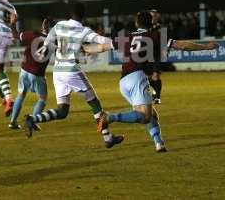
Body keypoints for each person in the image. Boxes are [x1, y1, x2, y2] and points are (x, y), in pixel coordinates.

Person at [88, 11, 219, 153]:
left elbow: (101, 47)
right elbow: (181, 45)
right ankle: (109, 117)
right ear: (151, 23)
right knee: (144, 116)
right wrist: (206, 47)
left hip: (123, 81)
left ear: (137, 23)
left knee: (151, 114)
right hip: (137, 78)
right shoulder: (155, 35)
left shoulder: (126, 37)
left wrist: (83, 49)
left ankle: (159, 143)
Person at [24, 3, 124, 149]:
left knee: (62, 111)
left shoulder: (59, 26)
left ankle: (33, 119)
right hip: (71, 71)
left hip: (57, 71)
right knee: (94, 103)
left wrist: (47, 34)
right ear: (83, 15)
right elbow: (102, 41)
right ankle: (108, 138)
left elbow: (45, 47)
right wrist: (118, 43)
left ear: (70, 14)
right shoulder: (83, 30)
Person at [8, 18, 55, 129]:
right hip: (38, 73)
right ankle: (32, 122)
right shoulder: (54, 42)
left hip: (24, 70)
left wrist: (12, 23)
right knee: (42, 99)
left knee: (21, 94)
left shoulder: (33, 34)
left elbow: (15, 35)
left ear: (44, 25)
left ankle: (13, 121)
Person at [149, 9, 163, 104]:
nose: (153, 18)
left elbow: (164, 41)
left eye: (154, 16)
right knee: (149, 77)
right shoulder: (145, 27)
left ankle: (157, 97)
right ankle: (154, 93)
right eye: (151, 16)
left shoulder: (161, 28)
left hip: (157, 55)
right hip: (146, 55)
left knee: (155, 76)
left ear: (157, 17)